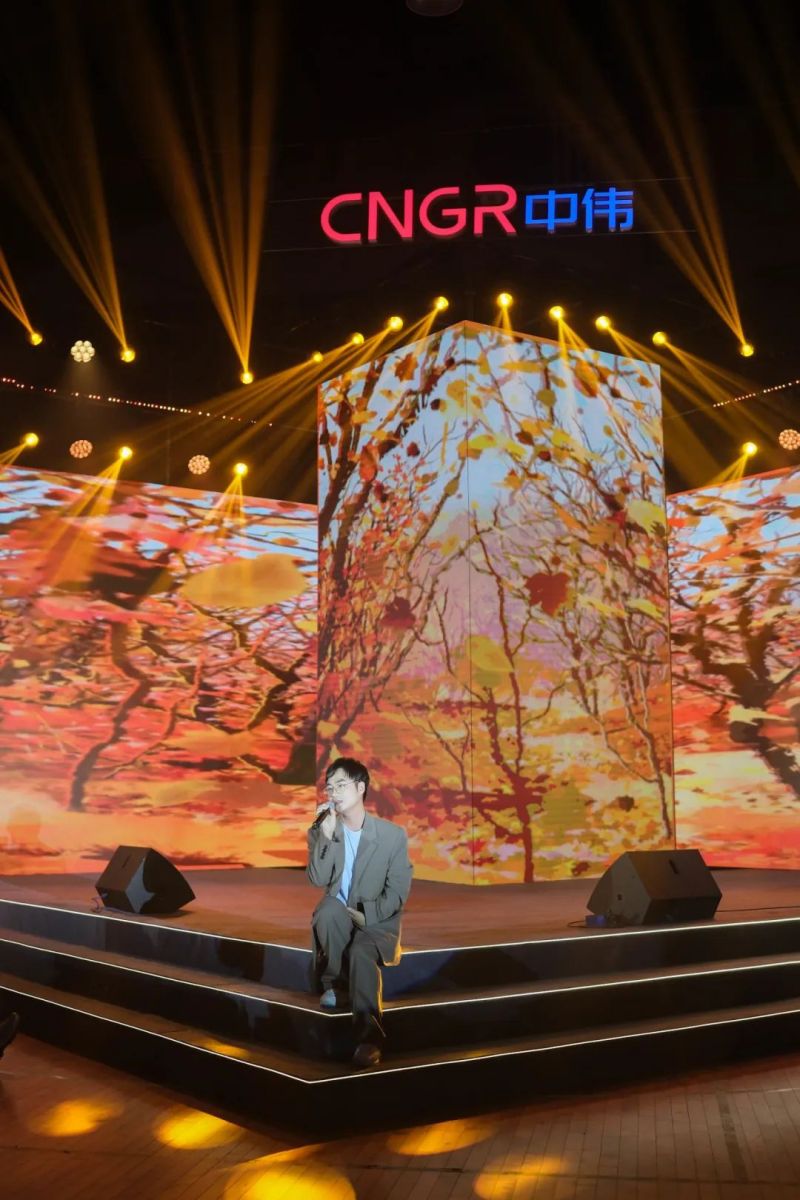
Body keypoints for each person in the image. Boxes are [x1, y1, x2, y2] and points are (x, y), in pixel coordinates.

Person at [307, 756, 413, 1069]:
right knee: (327, 910)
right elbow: (317, 879)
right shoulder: (323, 829)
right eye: (329, 787)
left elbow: (398, 890)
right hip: (340, 914)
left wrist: (369, 915)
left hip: (375, 920)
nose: (333, 793)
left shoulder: (392, 835)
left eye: (341, 785)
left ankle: (369, 1036)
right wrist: (325, 837)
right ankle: (335, 985)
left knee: (361, 953)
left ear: (361, 788)